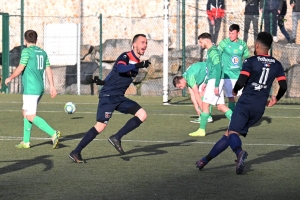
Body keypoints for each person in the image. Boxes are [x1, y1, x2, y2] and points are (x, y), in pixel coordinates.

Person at [195, 32, 287, 174]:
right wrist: (276, 98)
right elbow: (284, 86)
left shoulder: (250, 61)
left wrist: (235, 90)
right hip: (259, 108)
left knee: (232, 133)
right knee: (229, 134)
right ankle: (204, 160)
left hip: (245, 104)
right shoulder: (277, 64)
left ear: (256, 45)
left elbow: (242, 81)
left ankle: (239, 153)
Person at [69, 34, 151, 163]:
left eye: (146, 43)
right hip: (108, 96)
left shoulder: (137, 62)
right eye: (142, 42)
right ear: (134, 44)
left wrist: (102, 82)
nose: (145, 45)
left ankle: (117, 137)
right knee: (100, 126)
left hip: (119, 97)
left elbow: (114, 73)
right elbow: (120, 67)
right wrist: (138, 65)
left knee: (142, 114)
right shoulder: (126, 56)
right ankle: (76, 152)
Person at [5, 30, 61, 149]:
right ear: (36, 40)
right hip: (39, 88)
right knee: (25, 112)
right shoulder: (43, 53)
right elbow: (49, 70)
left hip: (31, 89)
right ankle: (26, 141)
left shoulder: (26, 51)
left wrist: (10, 77)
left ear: (25, 40)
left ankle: (53, 133)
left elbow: (21, 67)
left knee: (30, 115)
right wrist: (52, 86)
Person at [188, 33, 232, 137]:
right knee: (221, 106)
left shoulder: (213, 51)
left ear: (206, 40)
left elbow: (218, 68)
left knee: (205, 104)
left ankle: (201, 130)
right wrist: (206, 82)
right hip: (213, 80)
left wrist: (216, 85)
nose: (200, 44)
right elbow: (211, 68)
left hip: (215, 80)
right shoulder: (210, 51)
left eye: (200, 41)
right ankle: (238, 124)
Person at [218, 24, 250, 111]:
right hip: (227, 75)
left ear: (238, 33)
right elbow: (217, 56)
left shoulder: (243, 44)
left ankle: (241, 113)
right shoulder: (224, 43)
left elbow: (247, 58)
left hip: (239, 75)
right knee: (231, 97)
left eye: (233, 33)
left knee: (243, 96)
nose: (231, 35)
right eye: (229, 33)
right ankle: (232, 116)